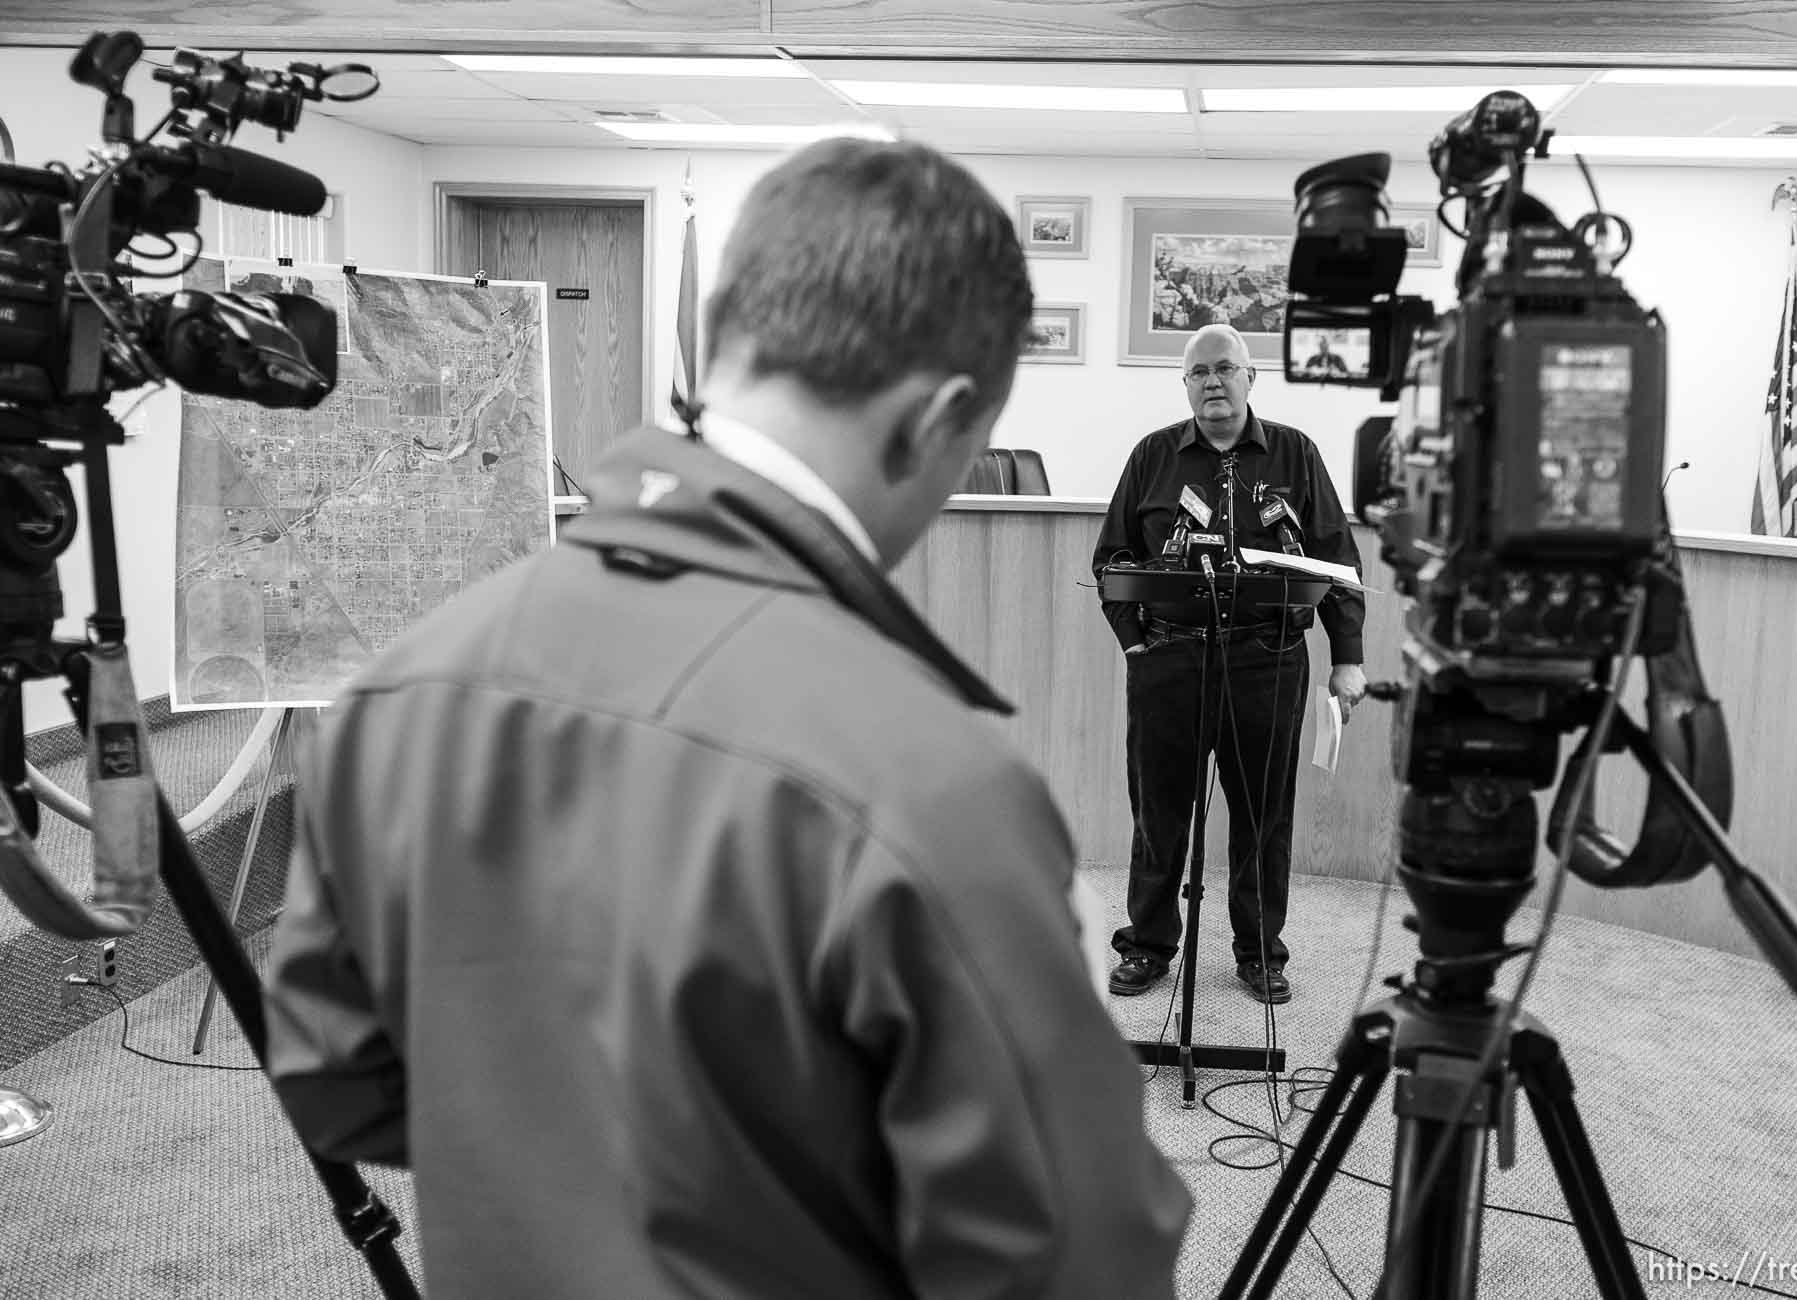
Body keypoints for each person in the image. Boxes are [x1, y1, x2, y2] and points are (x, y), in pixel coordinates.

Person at [262, 138, 1190, 1300]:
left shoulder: (396, 690)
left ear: (717, 348)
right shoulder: (933, 790)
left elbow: (337, 1079)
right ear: (937, 420)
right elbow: (1078, 1265)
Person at [1092, 324, 1367, 1005]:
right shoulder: (1152, 456)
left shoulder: (1296, 455)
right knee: (1159, 811)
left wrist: (1347, 659)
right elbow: (1110, 561)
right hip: (1168, 660)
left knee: (1262, 815)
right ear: (1184, 384)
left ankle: (1258, 953)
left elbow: (1339, 563)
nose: (1212, 382)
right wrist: (1132, 641)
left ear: (1250, 377)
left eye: (1224, 369)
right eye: (1198, 373)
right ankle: (1149, 945)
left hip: (1266, 660)